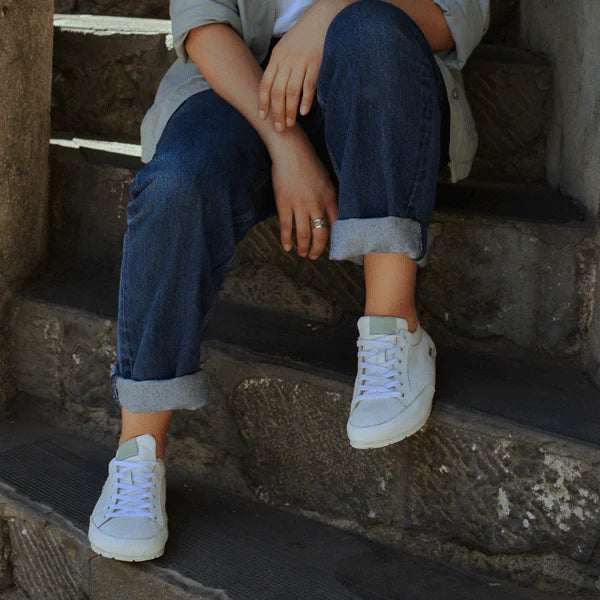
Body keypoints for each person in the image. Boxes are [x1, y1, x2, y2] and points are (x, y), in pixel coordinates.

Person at [88, 0, 490, 562]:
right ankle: (138, 451)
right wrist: (287, 145)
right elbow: (202, 26)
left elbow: (453, 17)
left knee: (368, 28)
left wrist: (324, 19)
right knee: (177, 183)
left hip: (379, 80)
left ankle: (392, 326)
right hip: (241, 85)